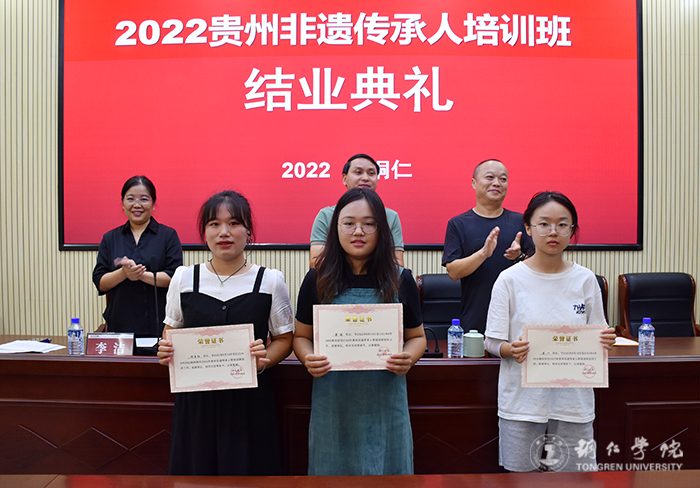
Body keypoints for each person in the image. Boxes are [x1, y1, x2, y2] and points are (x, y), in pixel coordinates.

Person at [157, 191, 294, 476]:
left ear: (248, 231)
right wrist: (166, 349)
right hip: (196, 404)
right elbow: (170, 332)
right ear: (204, 232)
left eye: (233, 223)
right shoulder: (184, 278)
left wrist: (264, 360)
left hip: (249, 402)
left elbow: (284, 339)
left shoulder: (270, 280)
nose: (224, 232)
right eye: (214, 224)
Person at [294, 187, 426, 476]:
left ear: (382, 230)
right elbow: (300, 336)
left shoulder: (400, 279)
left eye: (369, 223)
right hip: (333, 403)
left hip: (385, 401)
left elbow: (417, 338)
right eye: (349, 223)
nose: (358, 231)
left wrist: (408, 357)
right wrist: (307, 358)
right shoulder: (317, 278)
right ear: (335, 228)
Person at [484, 191, 616, 472]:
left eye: (562, 224)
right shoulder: (509, 279)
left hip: (573, 403)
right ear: (528, 228)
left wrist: (606, 339)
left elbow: (598, 332)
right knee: (522, 479)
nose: (553, 232)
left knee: (574, 479)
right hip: (522, 402)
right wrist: (510, 349)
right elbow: (493, 341)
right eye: (544, 224)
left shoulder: (585, 279)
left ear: (572, 230)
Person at [442, 159, 532, 333]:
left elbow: (539, 268)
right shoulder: (458, 224)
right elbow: (453, 272)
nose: (497, 183)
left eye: (503, 179)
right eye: (490, 177)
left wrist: (519, 257)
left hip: (517, 318)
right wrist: (483, 253)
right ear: (474, 183)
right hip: (475, 318)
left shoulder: (521, 222)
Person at [93, 175, 183, 337]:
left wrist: (140, 274)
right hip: (120, 323)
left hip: (159, 324)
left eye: (144, 199)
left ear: (153, 204)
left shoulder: (168, 235)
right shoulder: (110, 238)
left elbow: (175, 278)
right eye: (130, 199)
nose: (137, 204)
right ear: (122, 203)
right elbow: (100, 282)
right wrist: (123, 273)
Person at [309, 153, 405, 267]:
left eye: (371, 173)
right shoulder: (326, 216)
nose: (365, 178)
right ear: (345, 179)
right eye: (358, 172)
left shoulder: (390, 216)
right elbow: (316, 262)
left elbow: (397, 263)